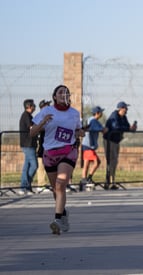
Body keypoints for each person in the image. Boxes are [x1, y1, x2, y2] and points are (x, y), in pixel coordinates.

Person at [30, 85, 84, 235]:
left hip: (68, 151)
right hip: (50, 154)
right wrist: (43, 122)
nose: (64, 94)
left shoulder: (74, 113)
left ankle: (57, 219)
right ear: (55, 96)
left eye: (67, 92)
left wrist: (80, 132)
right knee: (56, 190)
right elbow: (32, 132)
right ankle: (63, 214)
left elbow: (78, 130)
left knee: (61, 185)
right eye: (61, 92)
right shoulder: (46, 111)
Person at [103, 101, 137, 190]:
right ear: (121, 108)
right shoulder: (114, 115)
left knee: (115, 161)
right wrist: (127, 128)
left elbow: (127, 127)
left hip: (116, 141)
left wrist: (132, 128)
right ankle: (108, 182)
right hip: (109, 140)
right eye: (125, 108)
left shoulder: (123, 117)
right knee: (111, 161)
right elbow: (115, 127)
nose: (127, 110)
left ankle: (112, 181)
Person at [80, 106, 106, 191]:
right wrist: (103, 129)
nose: (102, 114)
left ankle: (86, 179)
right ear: (97, 113)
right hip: (88, 145)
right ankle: (85, 180)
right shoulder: (93, 120)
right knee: (94, 162)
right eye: (101, 112)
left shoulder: (92, 120)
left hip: (88, 145)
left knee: (89, 163)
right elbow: (99, 128)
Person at [19, 99, 38, 195]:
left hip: (31, 144)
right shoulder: (26, 116)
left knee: (26, 166)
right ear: (29, 106)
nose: (35, 107)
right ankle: (25, 185)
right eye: (33, 105)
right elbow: (32, 127)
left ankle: (24, 187)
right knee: (34, 166)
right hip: (27, 145)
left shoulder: (29, 116)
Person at [36, 99, 52, 191]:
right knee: (41, 164)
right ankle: (41, 184)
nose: (49, 106)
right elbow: (36, 128)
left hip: (49, 143)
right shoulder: (40, 116)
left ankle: (46, 183)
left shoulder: (49, 116)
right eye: (47, 105)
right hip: (42, 143)